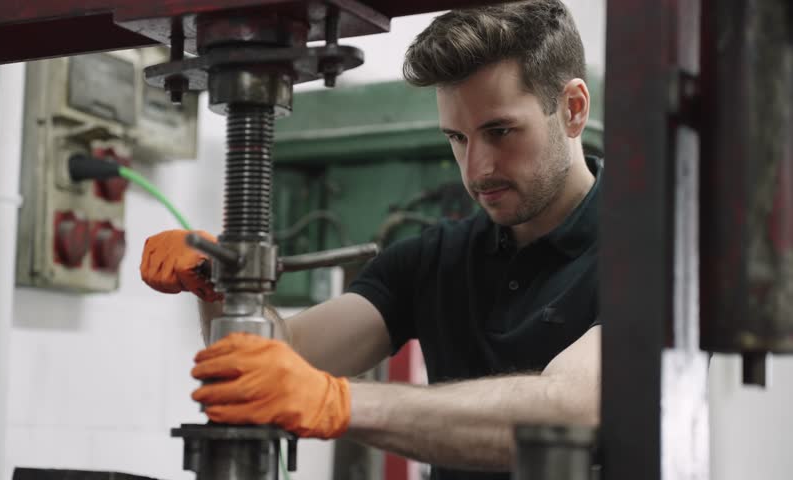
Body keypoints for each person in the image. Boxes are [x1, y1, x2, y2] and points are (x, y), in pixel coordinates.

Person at [140, 1, 601, 478]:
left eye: (500, 131)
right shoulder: (437, 259)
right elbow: (282, 355)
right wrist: (216, 283)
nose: (476, 169)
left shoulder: (639, 257)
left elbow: (570, 409)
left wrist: (337, 402)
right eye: (457, 138)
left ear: (572, 109)